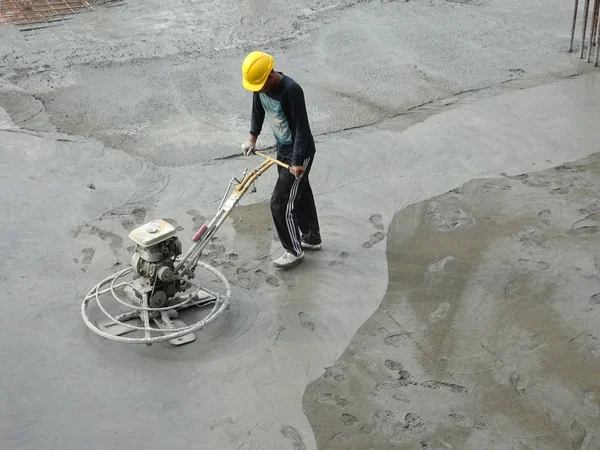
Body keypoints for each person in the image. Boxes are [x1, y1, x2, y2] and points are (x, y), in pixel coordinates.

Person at [240, 51, 321, 269]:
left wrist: (297, 162)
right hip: (283, 149)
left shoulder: (291, 90)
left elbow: (301, 128)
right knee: (300, 193)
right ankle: (312, 237)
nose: (257, 91)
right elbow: (257, 110)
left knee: (279, 202)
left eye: (259, 86)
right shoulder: (260, 87)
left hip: (299, 152)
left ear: (269, 76)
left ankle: (293, 250)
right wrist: (252, 139)